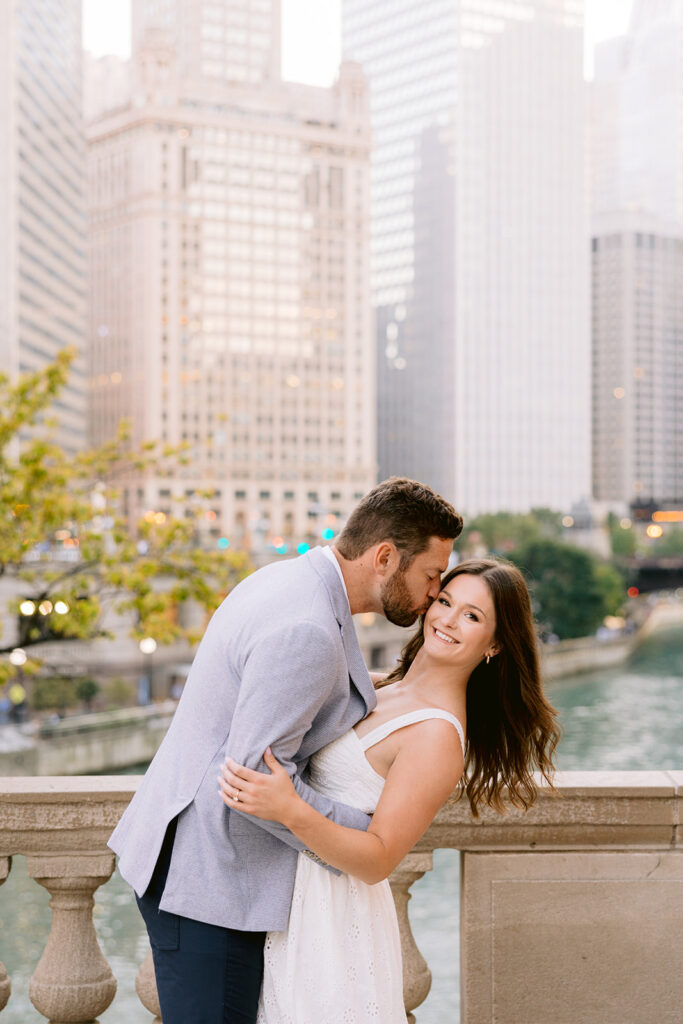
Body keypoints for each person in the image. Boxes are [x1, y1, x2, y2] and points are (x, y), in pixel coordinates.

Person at [108, 477, 463, 1024]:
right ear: (386, 557)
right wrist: (361, 830)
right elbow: (253, 782)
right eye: (431, 575)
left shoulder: (290, 579)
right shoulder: (309, 629)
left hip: (191, 863)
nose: (432, 595)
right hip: (210, 881)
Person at [219, 558, 560, 1023]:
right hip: (285, 894)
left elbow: (380, 859)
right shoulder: (381, 685)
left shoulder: (437, 736)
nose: (447, 620)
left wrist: (290, 809)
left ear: (495, 644)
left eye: (472, 616)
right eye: (444, 601)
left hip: (333, 917)